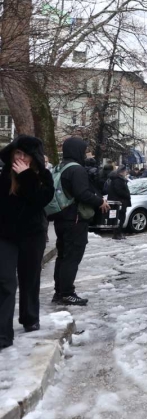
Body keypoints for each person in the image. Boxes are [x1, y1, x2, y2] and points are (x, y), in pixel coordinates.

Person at [0, 136, 54, 350]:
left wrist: (27, 176)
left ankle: (30, 317)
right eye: (17, 153)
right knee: (5, 281)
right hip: (5, 235)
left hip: (32, 235)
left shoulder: (43, 176)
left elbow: (41, 200)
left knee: (29, 277)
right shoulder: (4, 175)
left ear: (33, 158)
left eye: (25, 154)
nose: (20, 158)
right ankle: (3, 333)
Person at [49, 137, 109, 306]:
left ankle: (59, 291)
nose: (85, 154)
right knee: (72, 257)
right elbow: (82, 193)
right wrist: (100, 202)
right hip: (75, 219)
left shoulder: (59, 167)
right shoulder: (77, 170)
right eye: (83, 151)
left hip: (60, 217)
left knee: (62, 256)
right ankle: (67, 293)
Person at [104, 166, 132, 240]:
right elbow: (119, 191)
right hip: (119, 202)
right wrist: (127, 195)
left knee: (118, 217)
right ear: (121, 172)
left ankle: (118, 233)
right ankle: (117, 233)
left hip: (118, 201)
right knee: (120, 218)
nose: (126, 173)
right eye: (125, 171)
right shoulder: (118, 180)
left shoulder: (118, 179)